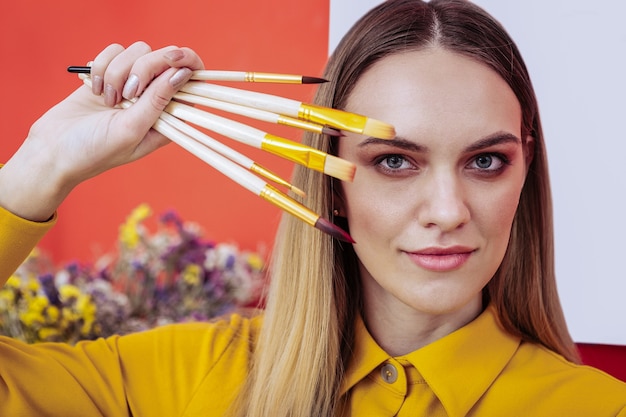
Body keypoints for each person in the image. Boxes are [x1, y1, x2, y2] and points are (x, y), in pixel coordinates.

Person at [1, 0, 625, 416]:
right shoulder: (193, 374)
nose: (447, 210)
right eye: (394, 161)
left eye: (485, 161)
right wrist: (39, 168)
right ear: (330, 182)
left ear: (525, 169)